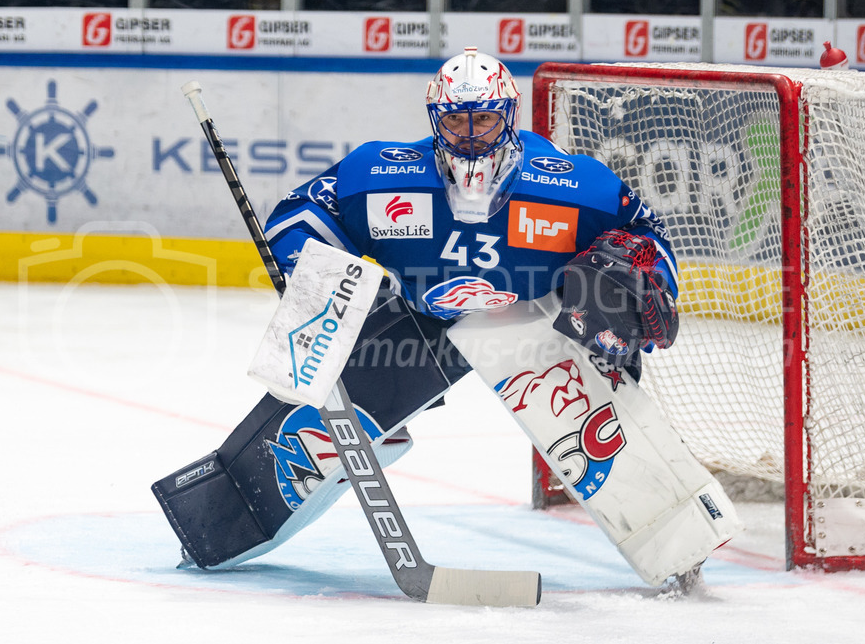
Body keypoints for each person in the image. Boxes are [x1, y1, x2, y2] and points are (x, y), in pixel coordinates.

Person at [152, 47, 701, 583]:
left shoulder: (576, 187)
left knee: (594, 437)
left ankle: (677, 541)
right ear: (435, 120)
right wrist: (329, 276)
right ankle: (219, 524)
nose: (469, 135)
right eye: (455, 120)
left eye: (483, 119)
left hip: (540, 326)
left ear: (508, 118)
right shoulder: (379, 174)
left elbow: (649, 239)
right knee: (316, 429)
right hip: (417, 322)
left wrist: (643, 276)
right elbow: (293, 220)